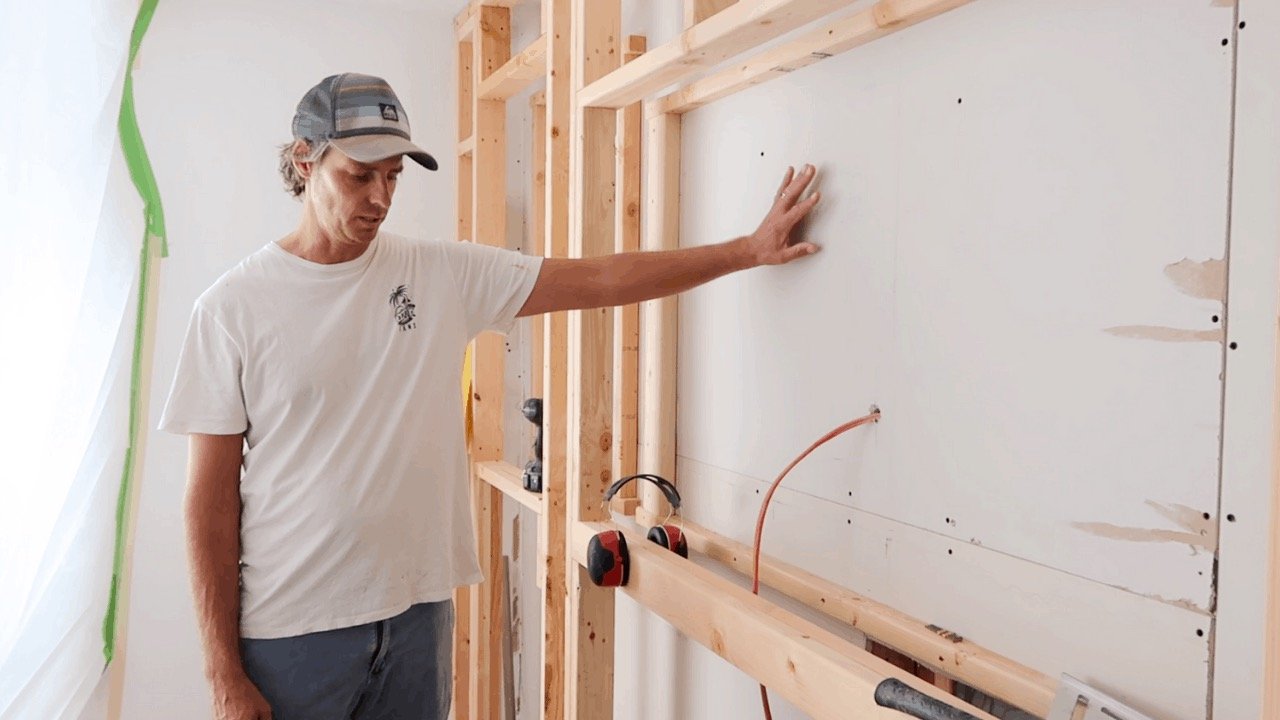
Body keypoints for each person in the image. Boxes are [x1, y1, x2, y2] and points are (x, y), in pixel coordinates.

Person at [158, 72, 821, 720]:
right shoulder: (231, 309)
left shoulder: (439, 273)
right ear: (305, 161)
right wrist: (222, 671)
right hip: (292, 635)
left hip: (417, 618)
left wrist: (745, 251)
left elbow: (598, 279)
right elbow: (207, 505)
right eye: (359, 175)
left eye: (393, 175)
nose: (381, 197)